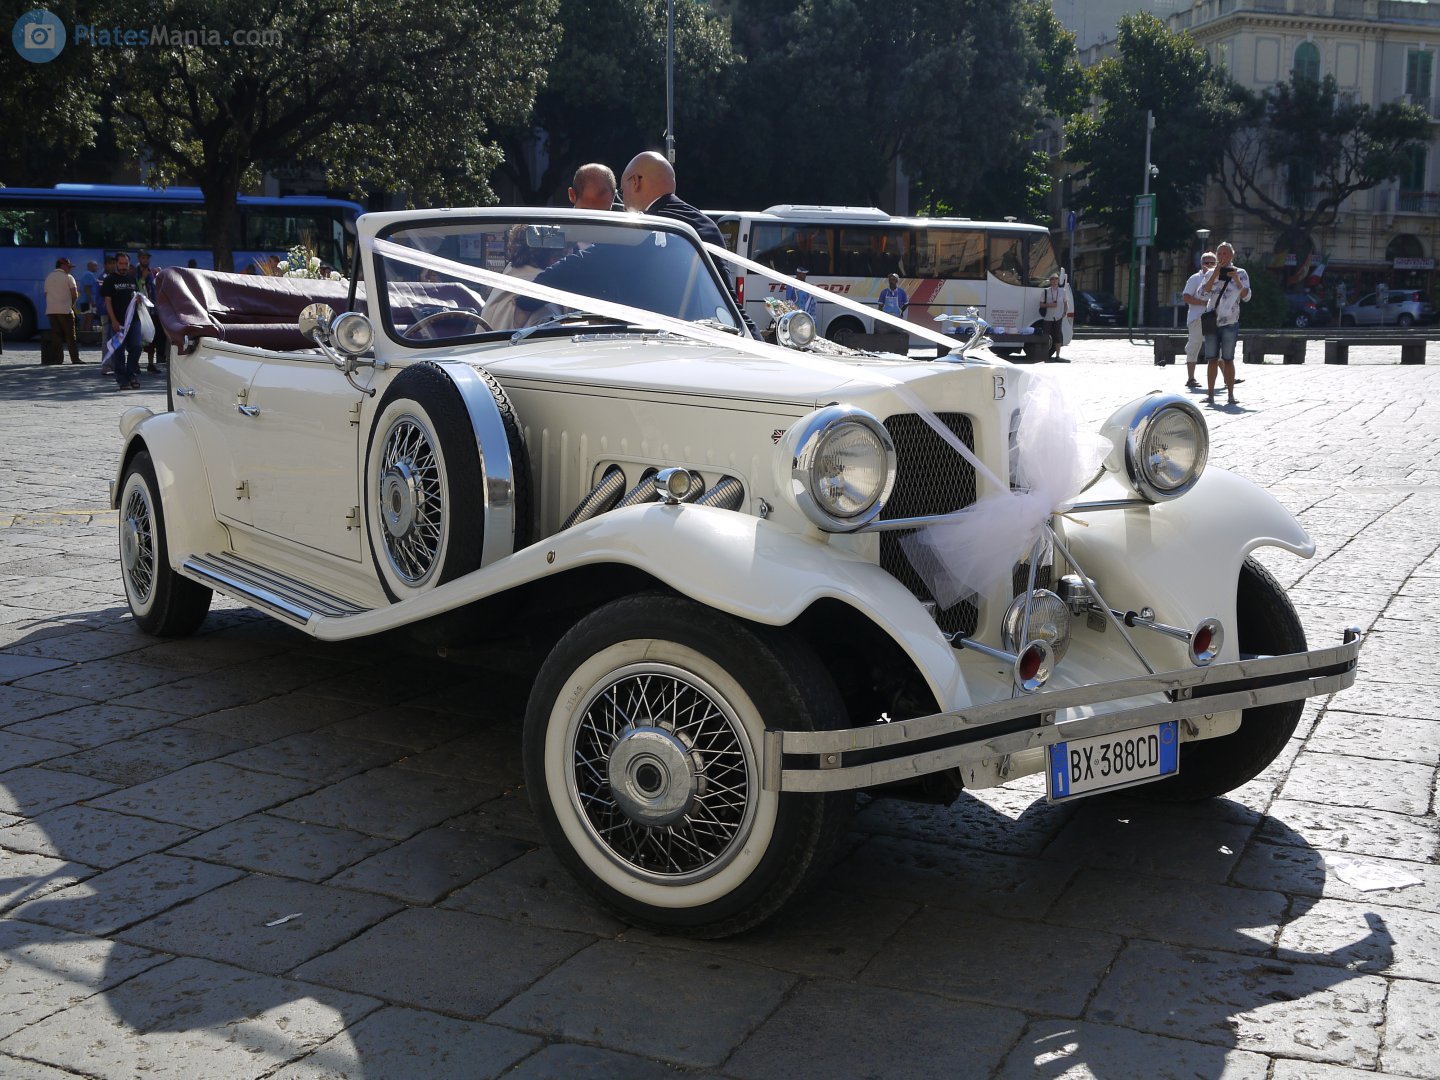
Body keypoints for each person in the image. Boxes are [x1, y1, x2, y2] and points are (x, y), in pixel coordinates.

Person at [1201, 241, 1251, 407]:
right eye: (1219, 253)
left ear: (1232, 255)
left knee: (1228, 359)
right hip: (1212, 320)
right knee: (1212, 359)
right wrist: (1215, 273)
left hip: (1230, 320)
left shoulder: (1241, 273)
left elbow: (1246, 296)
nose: (1222, 256)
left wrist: (1236, 279)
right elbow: (1203, 292)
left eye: (1225, 253)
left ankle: (1230, 394)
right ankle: (1210, 395)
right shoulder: (1210, 272)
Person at [101, 251, 144, 391]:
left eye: (126, 263)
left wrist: (139, 299)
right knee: (118, 352)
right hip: (117, 321)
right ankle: (122, 379)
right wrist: (113, 320)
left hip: (134, 320)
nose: (124, 266)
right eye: (121, 263)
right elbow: (107, 301)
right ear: (116, 264)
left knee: (137, 347)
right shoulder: (109, 280)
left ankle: (131, 374)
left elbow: (136, 296)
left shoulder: (132, 278)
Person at [1181, 251, 1216, 389]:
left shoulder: (1219, 278)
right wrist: (1203, 303)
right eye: (1206, 262)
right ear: (1201, 264)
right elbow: (1186, 296)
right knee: (1194, 346)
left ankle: (1227, 378)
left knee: (1216, 347)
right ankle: (1191, 378)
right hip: (1197, 319)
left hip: (1214, 318)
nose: (1208, 265)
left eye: (1212, 262)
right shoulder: (1195, 278)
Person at [43, 256, 83, 364]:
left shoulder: (49, 277)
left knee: (56, 335)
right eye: (69, 266)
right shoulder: (68, 277)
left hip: (51, 310)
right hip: (65, 310)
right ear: (63, 266)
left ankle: (58, 359)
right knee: (70, 335)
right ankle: (75, 359)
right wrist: (71, 304)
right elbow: (74, 294)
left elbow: (45, 294)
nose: (70, 268)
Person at [137, 249, 161, 372]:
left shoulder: (151, 271)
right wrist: (142, 277)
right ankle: (135, 363)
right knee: (139, 338)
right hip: (141, 310)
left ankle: (151, 364)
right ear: (139, 259)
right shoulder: (135, 271)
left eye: (147, 258)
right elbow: (137, 287)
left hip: (152, 310)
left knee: (152, 337)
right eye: (143, 258)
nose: (145, 260)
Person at [1040, 273, 1069, 361]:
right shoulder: (1045, 291)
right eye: (1052, 279)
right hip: (1048, 317)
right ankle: (1044, 355)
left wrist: (1064, 314)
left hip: (1058, 317)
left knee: (1058, 336)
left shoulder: (1063, 291)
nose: (1054, 280)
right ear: (1050, 281)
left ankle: (1057, 356)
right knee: (1045, 336)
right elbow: (1041, 305)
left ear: (1058, 280)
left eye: (1056, 279)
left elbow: (1065, 304)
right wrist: (1049, 305)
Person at [97, 252, 117, 372]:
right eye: (110, 263)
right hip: (106, 312)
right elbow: (103, 296)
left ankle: (114, 364)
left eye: (113, 263)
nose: (112, 266)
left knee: (115, 340)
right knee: (106, 339)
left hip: (115, 313)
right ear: (105, 265)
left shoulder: (114, 276)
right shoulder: (102, 278)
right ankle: (106, 365)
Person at [77, 259, 100, 329]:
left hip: (85, 301)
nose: (97, 268)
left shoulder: (87, 275)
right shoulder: (89, 274)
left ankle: (85, 336)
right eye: (95, 266)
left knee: (86, 319)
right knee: (89, 319)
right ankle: (88, 337)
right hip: (88, 301)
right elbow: (87, 289)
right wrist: (92, 302)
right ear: (89, 266)